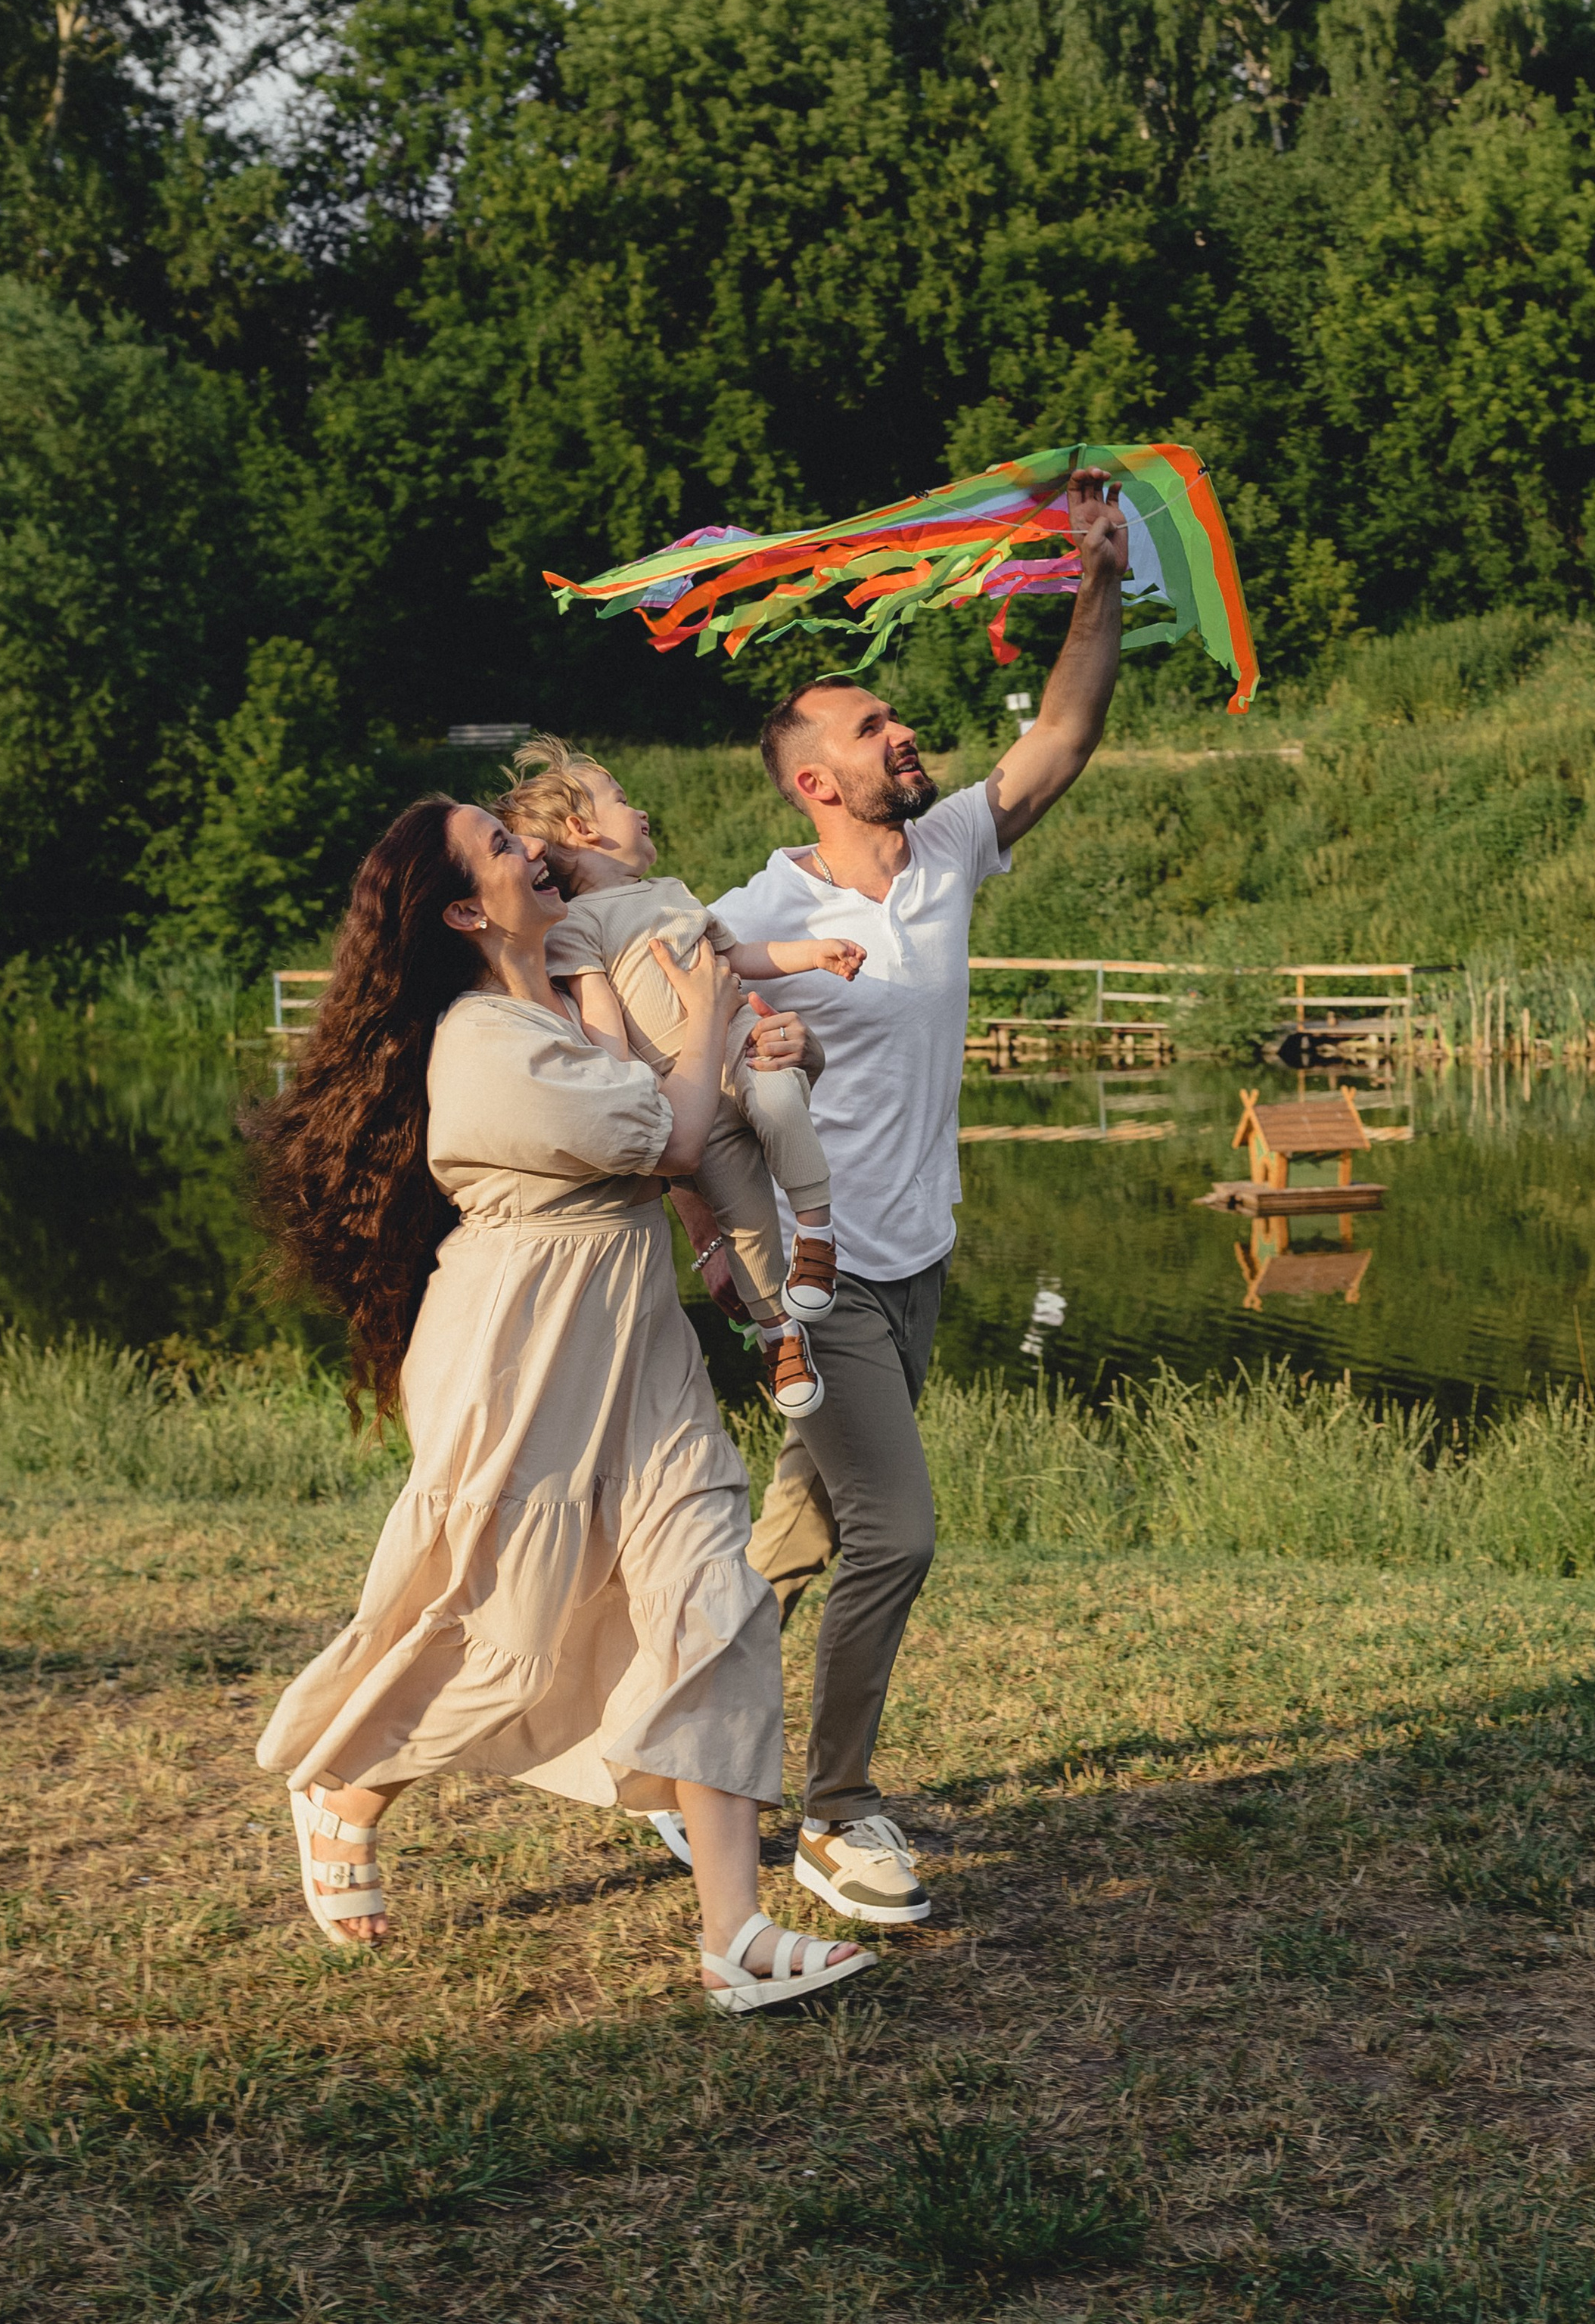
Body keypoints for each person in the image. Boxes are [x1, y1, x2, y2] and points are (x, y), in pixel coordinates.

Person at [248, 794, 873, 2011]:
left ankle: (735, 1934)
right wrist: (704, 1015)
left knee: (716, 1592)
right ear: (462, 911)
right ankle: (345, 1786)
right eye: (500, 843)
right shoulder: (484, 1041)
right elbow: (674, 1137)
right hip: (519, 1346)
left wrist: (769, 1050)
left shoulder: (581, 999)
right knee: (504, 1613)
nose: (533, 845)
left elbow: (714, 1109)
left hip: (635, 1333)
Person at [670, 466, 1132, 1928]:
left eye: (894, 717)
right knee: (898, 1533)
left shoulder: (944, 854)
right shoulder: (755, 917)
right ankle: (835, 1812)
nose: (901, 730)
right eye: (872, 728)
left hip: (918, 1257)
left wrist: (1098, 580)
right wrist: (712, 1230)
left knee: (807, 1526)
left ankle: (669, 1749)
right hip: (815, 1274)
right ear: (815, 781)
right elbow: (656, 1060)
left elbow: (1064, 732)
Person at [495, 739, 866, 1422]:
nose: (640, 810)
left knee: (781, 1097)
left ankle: (817, 1236)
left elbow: (737, 955)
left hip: (739, 1043)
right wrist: (625, 1083)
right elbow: (601, 1015)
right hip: (684, 1087)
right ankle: (780, 1335)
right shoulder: (575, 925)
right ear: (582, 828)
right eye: (621, 799)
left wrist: (812, 953)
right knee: (743, 1217)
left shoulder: (671, 893)